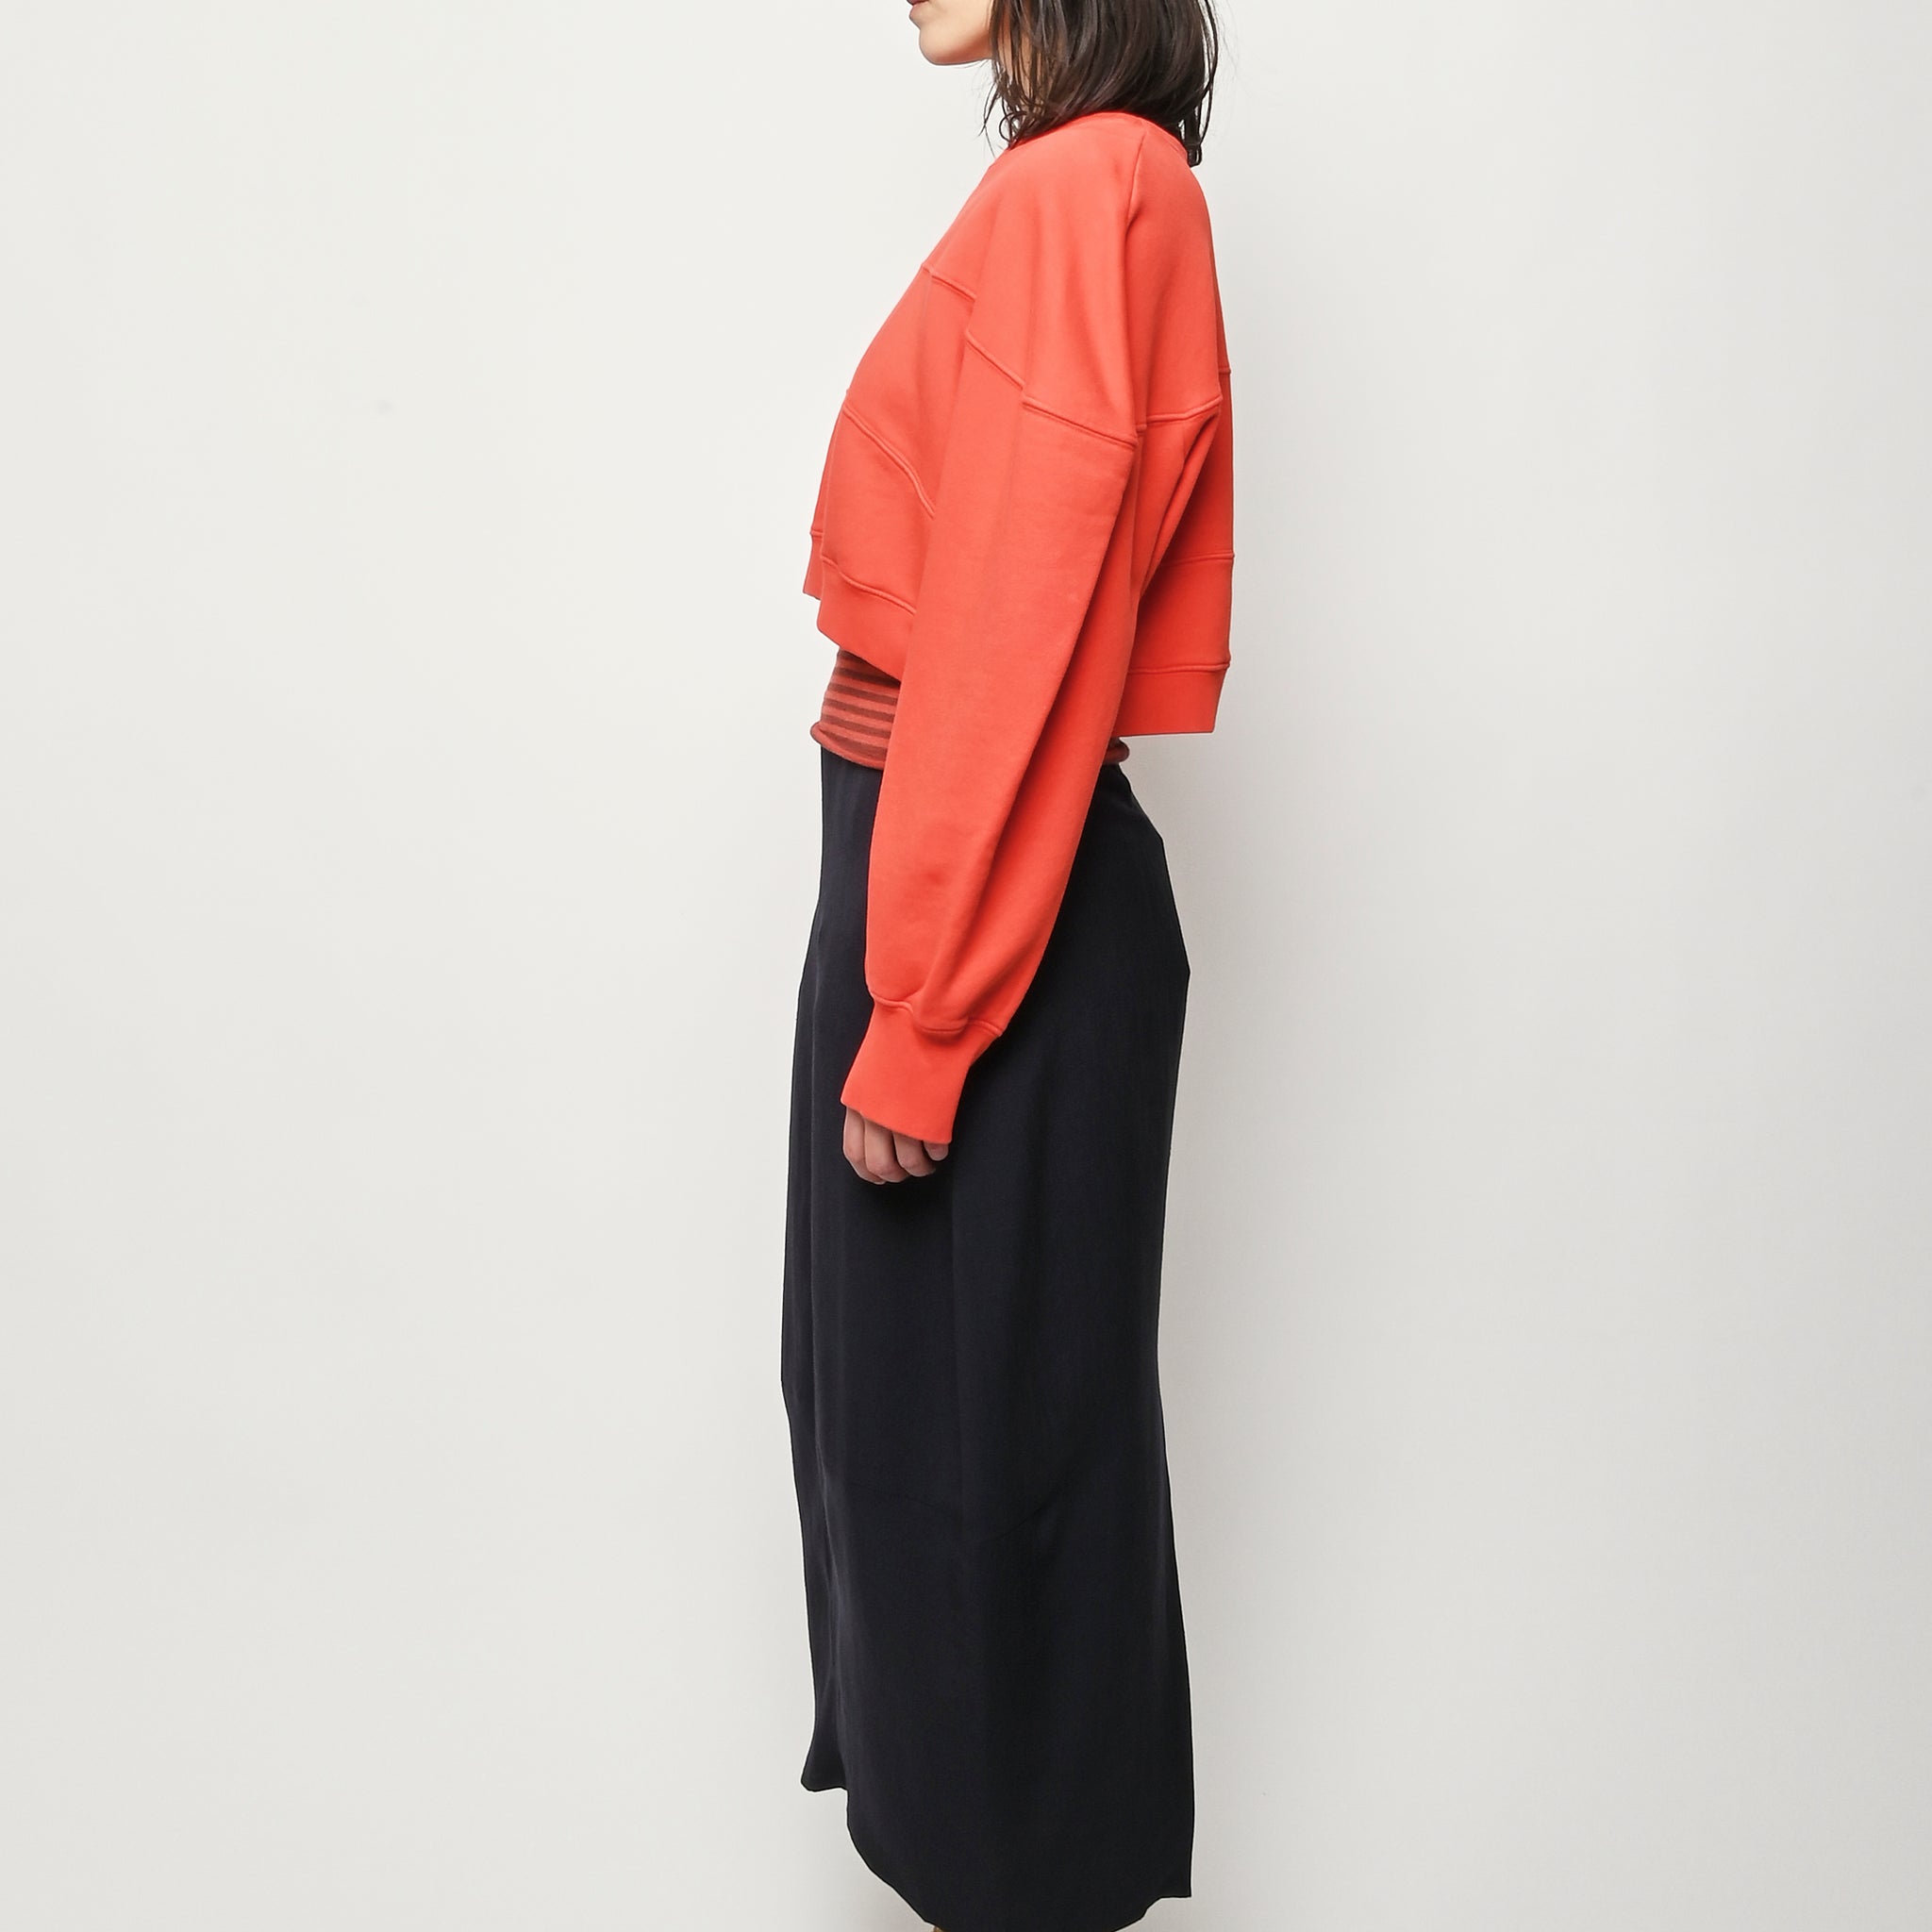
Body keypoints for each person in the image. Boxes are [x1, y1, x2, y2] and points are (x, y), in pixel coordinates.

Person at [781, 2, 1232, 1926]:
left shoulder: (1082, 187)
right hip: (962, 884)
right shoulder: (1105, 183)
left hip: (976, 909)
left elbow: (1020, 622)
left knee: (976, 1488)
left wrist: (924, 1010)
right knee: (933, 1465)